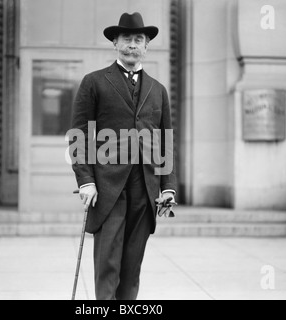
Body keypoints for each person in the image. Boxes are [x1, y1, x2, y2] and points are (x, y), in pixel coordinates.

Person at [70, 12, 177, 300]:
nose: (132, 44)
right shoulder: (94, 83)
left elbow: (165, 141)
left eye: (138, 39)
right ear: (115, 42)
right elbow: (79, 134)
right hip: (107, 189)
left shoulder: (158, 90)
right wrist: (86, 180)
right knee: (108, 266)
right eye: (127, 39)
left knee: (132, 270)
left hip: (145, 188)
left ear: (147, 46)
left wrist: (168, 186)